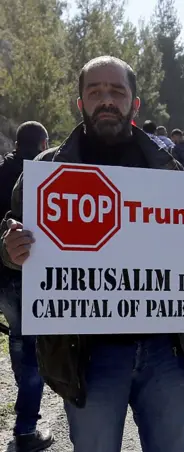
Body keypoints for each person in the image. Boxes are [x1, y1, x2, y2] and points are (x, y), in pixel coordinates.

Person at [0, 55, 184, 452]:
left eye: (117, 91)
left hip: (165, 352)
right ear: (80, 102)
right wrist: (9, 248)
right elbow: (11, 232)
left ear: (134, 103)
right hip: (87, 357)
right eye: (95, 91)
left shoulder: (167, 169)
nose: (107, 100)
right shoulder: (47, 172)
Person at [0, 121, 54, 452]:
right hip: (28, 278)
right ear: (43, 142)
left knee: (18, 339)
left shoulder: (2, 168)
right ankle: (24, 429)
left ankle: (24, 400)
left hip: (2, 278)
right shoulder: (45, 174)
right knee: (33, 351)